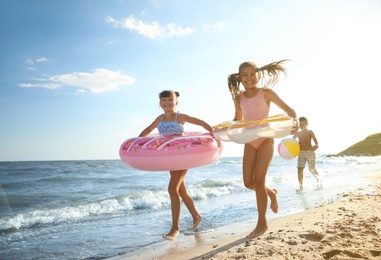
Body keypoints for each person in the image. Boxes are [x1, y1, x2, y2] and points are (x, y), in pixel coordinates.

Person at [228, 59, 298, 238]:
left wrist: (295, 123)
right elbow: (238, 121)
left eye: (252, 74)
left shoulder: (266, 93)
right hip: (250, 140)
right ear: (239, 78)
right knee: (248, 183)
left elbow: (290, 111)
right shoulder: (239, 98)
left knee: (259, 181)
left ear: (258, 75)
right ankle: (272, 193)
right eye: (245, 75)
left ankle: (262, 223)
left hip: (266, 138)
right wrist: (224, 132)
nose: (249, 78)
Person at [138, 90, 215, 240]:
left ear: (176, 102)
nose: (167, 103)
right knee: (180, 190)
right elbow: (148, 130)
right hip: (170, 157)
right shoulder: (159, 119)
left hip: (182, 156)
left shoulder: (180, 117)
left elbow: (200, 122)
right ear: (160, 103)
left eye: (170, 100)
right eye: (164, 100)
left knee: (172, 188)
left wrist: (212, 132)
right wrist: (138, 141)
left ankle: (175, 228)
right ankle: (196, 216)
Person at [293, 117, 322, 192]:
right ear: (299, 125)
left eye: (304, 124)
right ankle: (301, 187)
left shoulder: (310, 132)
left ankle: (319, 182)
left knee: (311, 169)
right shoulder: (298, 133)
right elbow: (292, 140)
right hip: (301, 153)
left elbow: (316, 142)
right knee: (299, 169)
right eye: (301, 124)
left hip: (310, 152)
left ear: (307, 124)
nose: (302, 126)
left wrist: (316, 146)